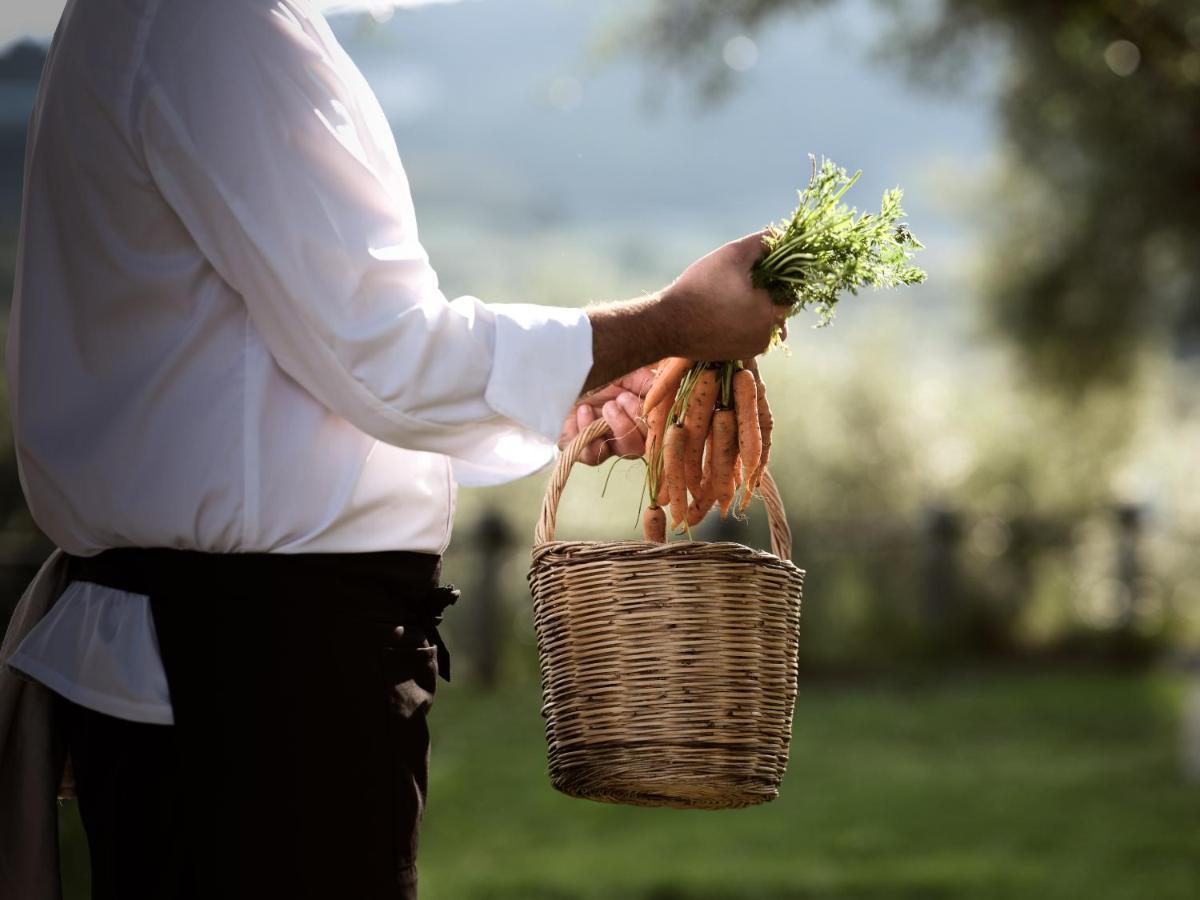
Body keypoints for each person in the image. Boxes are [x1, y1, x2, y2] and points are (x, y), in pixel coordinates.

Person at [1, 1, 783, 898]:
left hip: (259, 658)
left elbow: (299, 375)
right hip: (254, 679)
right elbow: (384, 354)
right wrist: (670, 322)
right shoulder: (213, 21)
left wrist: (570, 385)